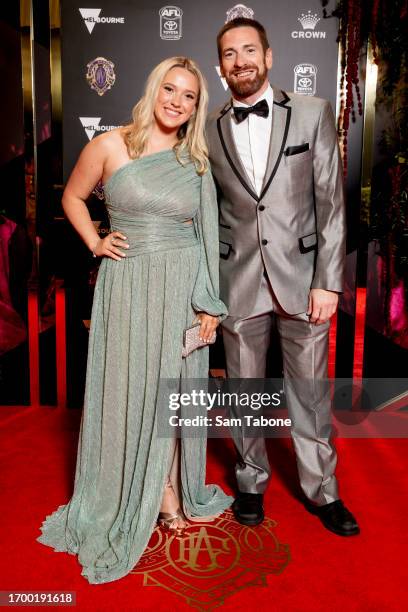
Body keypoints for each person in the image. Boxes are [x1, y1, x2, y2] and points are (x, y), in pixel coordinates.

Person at [37, 56, 233, 584]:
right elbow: (73, 198)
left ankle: (169, 489)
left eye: (189, 95)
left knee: (170, 391)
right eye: (170, 88)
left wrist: (206, 304)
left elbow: (204, 240)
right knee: (128, 391)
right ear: (153, 89)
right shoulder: (109, 145)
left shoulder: (194, 161)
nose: (177, 100)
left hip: (178, 291)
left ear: (197, 105)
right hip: (125, 290)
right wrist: (96, 241)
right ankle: (134, 493)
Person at [206, 18, 359, 536]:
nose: (240, 61)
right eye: (230, 53)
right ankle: (250, 480)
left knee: (310, 394)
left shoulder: (312, 113)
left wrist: (328, 281)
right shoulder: (208, 127)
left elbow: (330, 205)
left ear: (269, 57)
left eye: (250, 50)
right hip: (239, 279)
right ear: (221, 65)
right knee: (245, 391)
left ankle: (323, 491)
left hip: (303, 281)